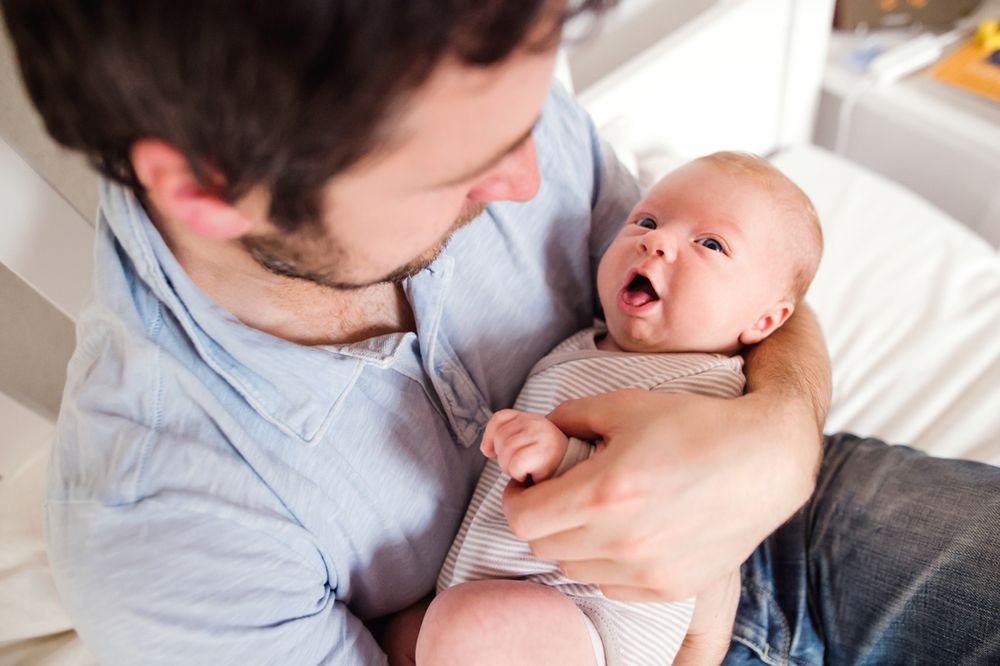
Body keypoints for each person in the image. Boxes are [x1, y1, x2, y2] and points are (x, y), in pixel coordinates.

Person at [1, 1, 996, 664]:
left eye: (530, 121)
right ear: (210, 188)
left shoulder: (455, 73)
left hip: (777, 524)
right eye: (464, 169)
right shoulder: (163, 531)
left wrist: (779, 433)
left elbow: (734, 293)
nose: (528, 181)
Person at [418, 152, 824, 666]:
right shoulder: (586, 342)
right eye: (647, 221)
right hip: (508, 587)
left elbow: (655, 486)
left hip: (593, 618)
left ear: (765, 320)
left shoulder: (705, 386)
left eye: (711, 244)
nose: (656, 241)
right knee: (429, 630)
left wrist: (559, 457)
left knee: (467, 627)